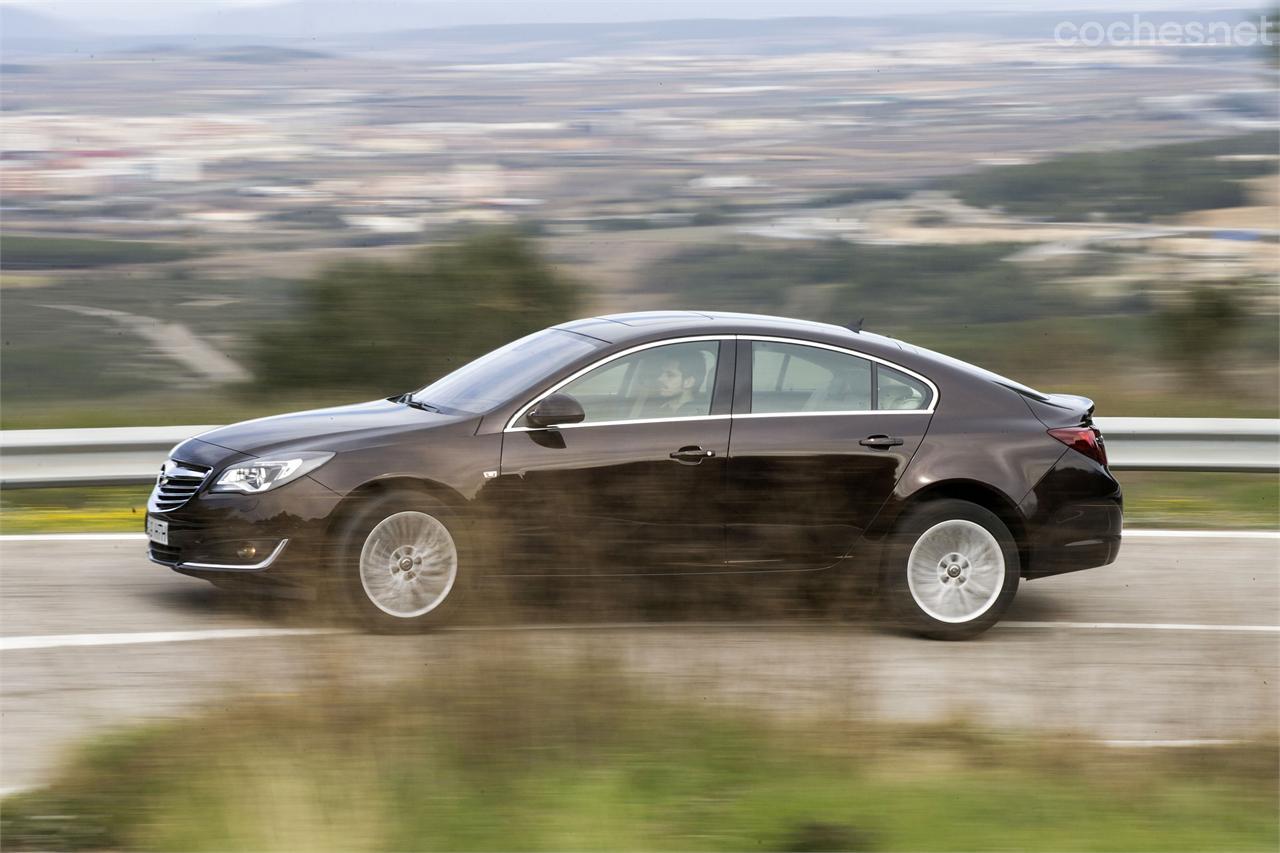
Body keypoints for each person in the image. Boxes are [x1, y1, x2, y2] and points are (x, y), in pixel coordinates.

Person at [643, 350, 708, 417]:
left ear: (689, 382)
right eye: (662, 373)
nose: (660, 379)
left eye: (670, 375)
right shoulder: (659, 409)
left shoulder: (695, 417)